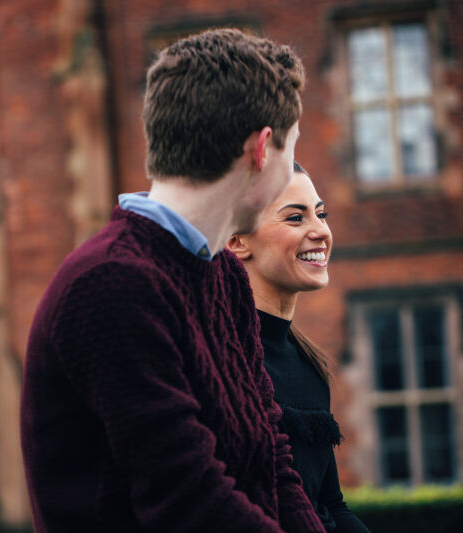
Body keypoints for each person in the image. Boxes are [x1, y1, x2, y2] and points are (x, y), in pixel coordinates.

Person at [21, 28, 325, 532]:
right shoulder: (109, 285)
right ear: (262, 149)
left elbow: (273, 462)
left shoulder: (224, 275)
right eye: (291, 150)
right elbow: (188, 500)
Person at [228, 163, 370, 532]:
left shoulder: (307, 362)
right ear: (236, 241)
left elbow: (330, 505)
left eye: (320, 214)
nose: (321, 231)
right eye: (295, 218)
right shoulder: (223, 361)